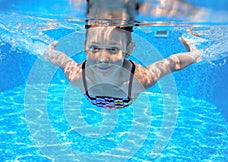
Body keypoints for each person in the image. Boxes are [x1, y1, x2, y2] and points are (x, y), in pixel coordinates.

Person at [44, 0, 201, 111]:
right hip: (96, 99)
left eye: (113, 49)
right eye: (95, 48)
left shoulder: (138, 79)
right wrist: (49, 51)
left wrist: (194, 54)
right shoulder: (79, 77)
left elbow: (173, 63)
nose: (103, 59)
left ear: (128, 51)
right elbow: (61, 59)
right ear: (85, 47)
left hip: (125, 100)